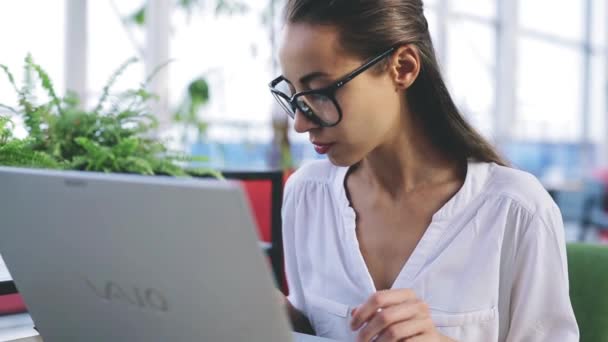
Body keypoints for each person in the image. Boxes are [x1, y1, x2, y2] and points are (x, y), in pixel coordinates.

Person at [268, 1, 579, 341]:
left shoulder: (517, 210)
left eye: (321, 91)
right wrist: (272, 314)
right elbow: (315, 330)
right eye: (296, 95)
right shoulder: (306, 195)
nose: (299, 122)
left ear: (402, 67)